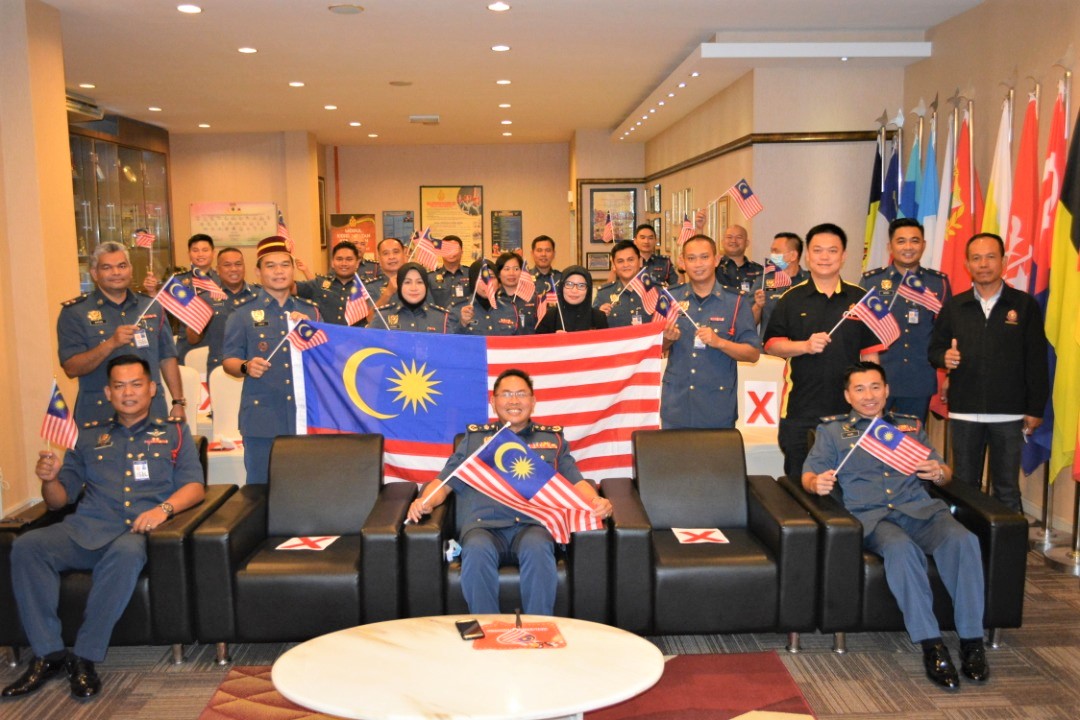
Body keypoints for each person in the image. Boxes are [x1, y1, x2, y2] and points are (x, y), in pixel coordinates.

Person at [2, 355, 205, 701]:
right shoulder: (87, 437)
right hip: (87, 529)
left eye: (136, 384)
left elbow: (195, 487)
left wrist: (163, 509)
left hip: (137, 532)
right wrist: (49, 479)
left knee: (125, 554)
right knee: (27, 546)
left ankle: (84, 656)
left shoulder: (174, 433)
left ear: (151, 389)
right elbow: (58, 500)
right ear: (108, 393)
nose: (128, 392)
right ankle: (49, 654)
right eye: (119, 386)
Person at [803, 361, 988, 690]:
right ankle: (932, 644)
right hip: (873, 516)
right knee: (901, 550)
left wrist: (938, 473)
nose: (869, 396)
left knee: (964, 540)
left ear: (887, 390)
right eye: (860, 389)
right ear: (848, 396)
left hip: (920, 510)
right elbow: (809, 474)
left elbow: (944, 472)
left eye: (875, 387)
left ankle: (972, 641)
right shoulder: (832, 431)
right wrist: (816, 483)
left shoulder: (909, 426)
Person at [405, 369, 612, 615]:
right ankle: (488, 630)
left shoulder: (553, 440)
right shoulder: (475, 441)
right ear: (493, 402)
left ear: (533, 402)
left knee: (538, 548)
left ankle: (539, 629)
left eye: (521, 394)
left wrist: (596, 500)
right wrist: (425, 501)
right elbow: (444, 482)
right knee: (476, 550)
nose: (514, 401)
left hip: (533, 526)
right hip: (484, 527)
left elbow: (576, 481)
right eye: (506, 394)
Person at [929, 233, 1049, 513]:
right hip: (964, 412)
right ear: (967, 265)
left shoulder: (1024, 305)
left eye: (990, 257)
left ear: (1004, 261)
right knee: (964, 485)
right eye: (976, 258)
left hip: (1009, 413)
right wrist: (944, 357)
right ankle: (966, 539)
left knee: (1007, 488)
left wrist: (1035, 408)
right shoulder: (955, 306)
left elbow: (1036, 361)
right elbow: (934, 349)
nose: (983, 264)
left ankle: (1009, 542)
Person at [763, 223, 884, 480]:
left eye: (832, 250)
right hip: (800, 411)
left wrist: (875, 405)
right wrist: (804, 346)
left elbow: (871, 356)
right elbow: (772, 345)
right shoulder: (791, 299)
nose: (825, 257)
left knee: (847, 485)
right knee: (800, 484)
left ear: (844, 256)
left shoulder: (861, 299)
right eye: (818, 250)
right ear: (808, 256)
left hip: (850, 412)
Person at [222, 236, 321, 485]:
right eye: (271, 265)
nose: (279, 271)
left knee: (304, 486)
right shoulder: (242, 313)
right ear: (258, 272)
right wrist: (246, 366)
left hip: (304, 416)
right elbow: (229, 360)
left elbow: (324, 359)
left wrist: (311, 331)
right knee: (261, 489)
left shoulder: (310, 311)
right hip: (262, 419)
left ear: (293, 269)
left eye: (285, 265)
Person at [57, 242, 185, 426]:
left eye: (122, 266)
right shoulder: (75, 312)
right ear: (94, 273)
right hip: (100, 414)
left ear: (130, 270)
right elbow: (71, 368)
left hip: (151, 412)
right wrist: (111, 344)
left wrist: (178, 401)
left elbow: (167, 357)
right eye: (107, 268)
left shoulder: (151, 306)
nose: (116, 272)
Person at [661, 235, 761, 429]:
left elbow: (753, 354)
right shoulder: (670, 298)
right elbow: (653, 350)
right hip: (676, 406)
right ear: (682, 262)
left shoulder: (736, 302)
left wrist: (720, 342)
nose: (698, 264)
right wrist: (667, 340)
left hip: (717, 408)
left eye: (704, 257)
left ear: (716, 260)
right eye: (691, 258)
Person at [862, 218, 951, 423]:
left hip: (918, 380)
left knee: (910, 440)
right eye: (901, 241)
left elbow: (947, 332)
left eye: (915, 241)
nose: (908, 247)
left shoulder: (938, 283)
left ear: (924, 245)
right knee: (873, 437)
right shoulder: (872, 281)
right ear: (890, 246)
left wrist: (949, 374)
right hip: (878, 379)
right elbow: (861, 331)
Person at [143, 233, 219, 362]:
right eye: (195, 250)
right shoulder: (178, 282)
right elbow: (159, 312)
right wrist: (152, 291)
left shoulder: (222, 281)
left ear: (213, 253)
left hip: (217, 346)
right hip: (187, 347)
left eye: (205, 250)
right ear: (189, 253)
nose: (200, 254)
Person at [187, 247, 257, 376]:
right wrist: (194, 322)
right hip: (219, 370)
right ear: (218, 269)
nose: (233, 269)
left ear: (244, 267)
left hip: (256, 367)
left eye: (238, 264)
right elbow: (193, 340)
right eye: (227, 265)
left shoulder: (260, 295)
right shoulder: (205, 299)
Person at [294, 241, 368, 325]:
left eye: (349, 259)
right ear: (332, 262)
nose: (344, 263)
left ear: (357, 263)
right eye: (339, 259)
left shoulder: (366, 288)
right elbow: (291, 288)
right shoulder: (319, 284)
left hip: (356, 334)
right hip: (324, 333)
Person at [368, 262, 453, 332]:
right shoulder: (382, 316)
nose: (414, 288)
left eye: (419, 282)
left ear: (426, 286)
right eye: (407, 282)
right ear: (399, 285)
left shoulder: (441, 318)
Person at [755, 232, 806, 340]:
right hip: (769, 347)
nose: (772, 255)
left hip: (801, 346)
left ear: (793, 255)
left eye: (776, 251)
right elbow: (749, 322)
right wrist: (758, 306)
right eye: (771, 251)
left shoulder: (809, 281)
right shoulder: (763, 280)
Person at [457, 260, 524, 335]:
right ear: (473, 282)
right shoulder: (457, 310)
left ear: (498, 282)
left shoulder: (510, 308)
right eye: (481, 278)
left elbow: (519, 340)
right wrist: (462, 324)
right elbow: (450, 340)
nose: (487, 283)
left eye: (491, 277)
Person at [536, 265, 608, 333]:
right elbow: (538, 341)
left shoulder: (598, 317)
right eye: (569, 284)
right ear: (562, 287)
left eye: (581, 285)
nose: (574, 290)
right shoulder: (550, 316)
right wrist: (554, 339)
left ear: (588, 290)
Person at [594, 240, 649, 327]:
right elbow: (593, 328)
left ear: (640, 261)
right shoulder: (603, 294)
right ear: (614, 265)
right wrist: (599, 316)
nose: (626, 265)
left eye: (630, 260)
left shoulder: (655, 291)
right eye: (620, 261)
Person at [717, 224, 764, 299]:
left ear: (747, 243)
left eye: (739, 237)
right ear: (722, 242)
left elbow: (770, 295)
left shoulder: (760, 271)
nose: (733, 241)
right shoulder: (713, 268)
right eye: (729, 237)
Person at [494, 252, 537, 332]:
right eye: (507, 269)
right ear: (499, 274)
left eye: (516, 269)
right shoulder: (492, 299)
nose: (511, 273)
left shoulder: (532, 298)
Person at [428, 235, 470, 309]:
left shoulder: (471, 274)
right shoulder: (430, 277)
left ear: (462, 252)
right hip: (440, 316)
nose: (451, 252)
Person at [365, 237, 407, 309]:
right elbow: (370, 315)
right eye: (386, 253)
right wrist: (388, 293)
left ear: (404, 255)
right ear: (379, 259)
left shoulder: (419, 282)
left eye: (396, 252)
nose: (391, 257)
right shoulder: (370, 287)